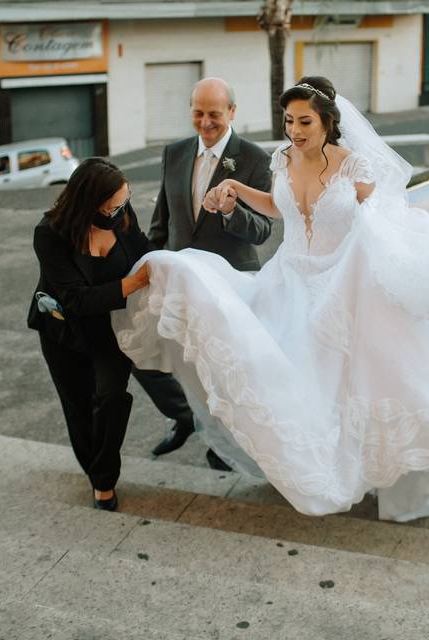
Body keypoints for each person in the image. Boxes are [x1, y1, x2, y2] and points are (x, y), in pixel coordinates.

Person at [112, 76, 429, 521]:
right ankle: (311, 471)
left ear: (327, 122)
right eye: (288, 121)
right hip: (289, 281)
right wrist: (237, 193)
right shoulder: (282, 157)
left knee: (354, 389)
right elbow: (280, 209)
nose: (294, 130)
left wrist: (380, 254)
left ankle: (369, 478)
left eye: (304, 121)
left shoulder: (352, 166)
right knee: (295, 388)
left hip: (343, 285)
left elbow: (384, 218)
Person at [138, 77, 273, 465]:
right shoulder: (175, 153)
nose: (205, 122)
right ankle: (187, 419)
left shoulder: (253, 159)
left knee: (227, 371)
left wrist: (231, 210)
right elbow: (161, 223)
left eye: (214, 113)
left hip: (231, 283)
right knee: (182, 364)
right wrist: (146, 265)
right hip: (182, 282)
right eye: (198, 113)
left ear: (232, 112)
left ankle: (225, 448)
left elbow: (263, 230)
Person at [28, 158, 151, 511]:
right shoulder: (49, 233)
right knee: (79, 408)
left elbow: (144, 252)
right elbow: (75, 298)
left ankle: (104, 474)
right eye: (112, 205)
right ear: (88, 201)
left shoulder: (122, 216)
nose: (119, 210)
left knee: (111, 400)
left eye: (124, 201)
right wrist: (134, 283)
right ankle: (100, 482)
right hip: (65, 332)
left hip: (112, 330)